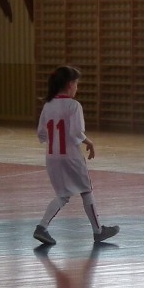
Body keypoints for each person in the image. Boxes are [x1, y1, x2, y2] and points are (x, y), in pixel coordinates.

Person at [32, 66, 119, 245]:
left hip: (52, 156)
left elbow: (41, 133)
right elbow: (76, 132)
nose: (77, 87)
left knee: (62, 194)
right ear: (70, 84)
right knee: (86, 190)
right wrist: (89, 142)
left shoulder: (48, 105)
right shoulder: (74, 106)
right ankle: (98, 230)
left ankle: (42, 227)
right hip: (71, 156)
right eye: (77, 84)